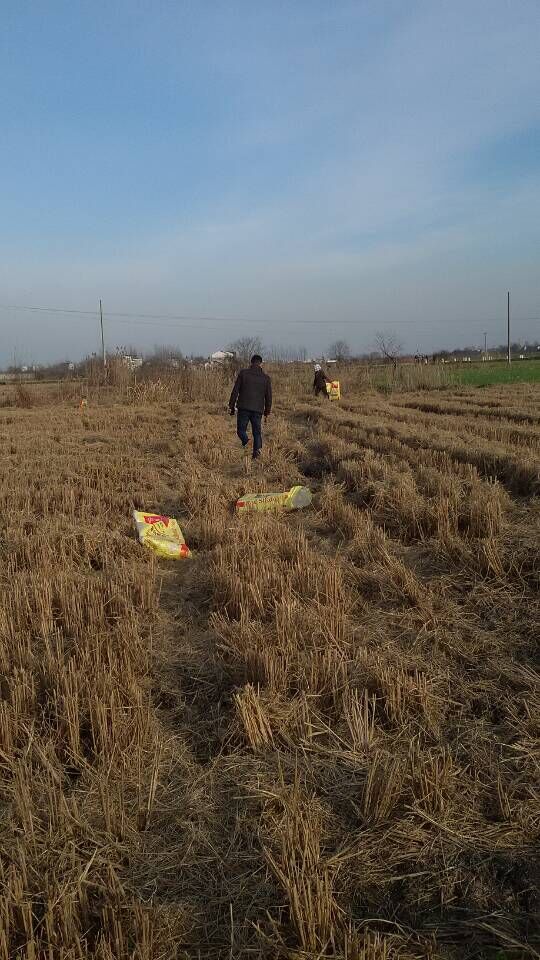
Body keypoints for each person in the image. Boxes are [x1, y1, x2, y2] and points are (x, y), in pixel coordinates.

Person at [229, 355, 272, 460]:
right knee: (257, 433)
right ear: (261, 363)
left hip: (243, 407)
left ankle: (246, 441)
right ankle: (257, 456)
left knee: (240, 430)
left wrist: (231, 405)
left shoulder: (243, 374)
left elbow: (235, 391)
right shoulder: (266, 378)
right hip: (258, 410)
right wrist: (267, 412)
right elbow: (269, 397)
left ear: (251, 362)